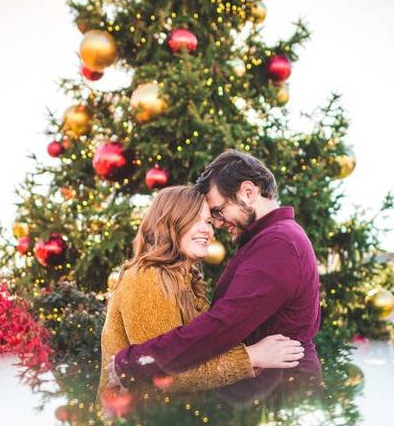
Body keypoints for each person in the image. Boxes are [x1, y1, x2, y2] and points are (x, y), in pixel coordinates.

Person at [108, 150, 322, 398]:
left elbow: (222, 326)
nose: (216, 224)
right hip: (269, 394)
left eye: (217, 212)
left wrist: (133, 363)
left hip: (281, 395)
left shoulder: (279, 243)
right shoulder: (268, 240)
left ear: (248, 193)